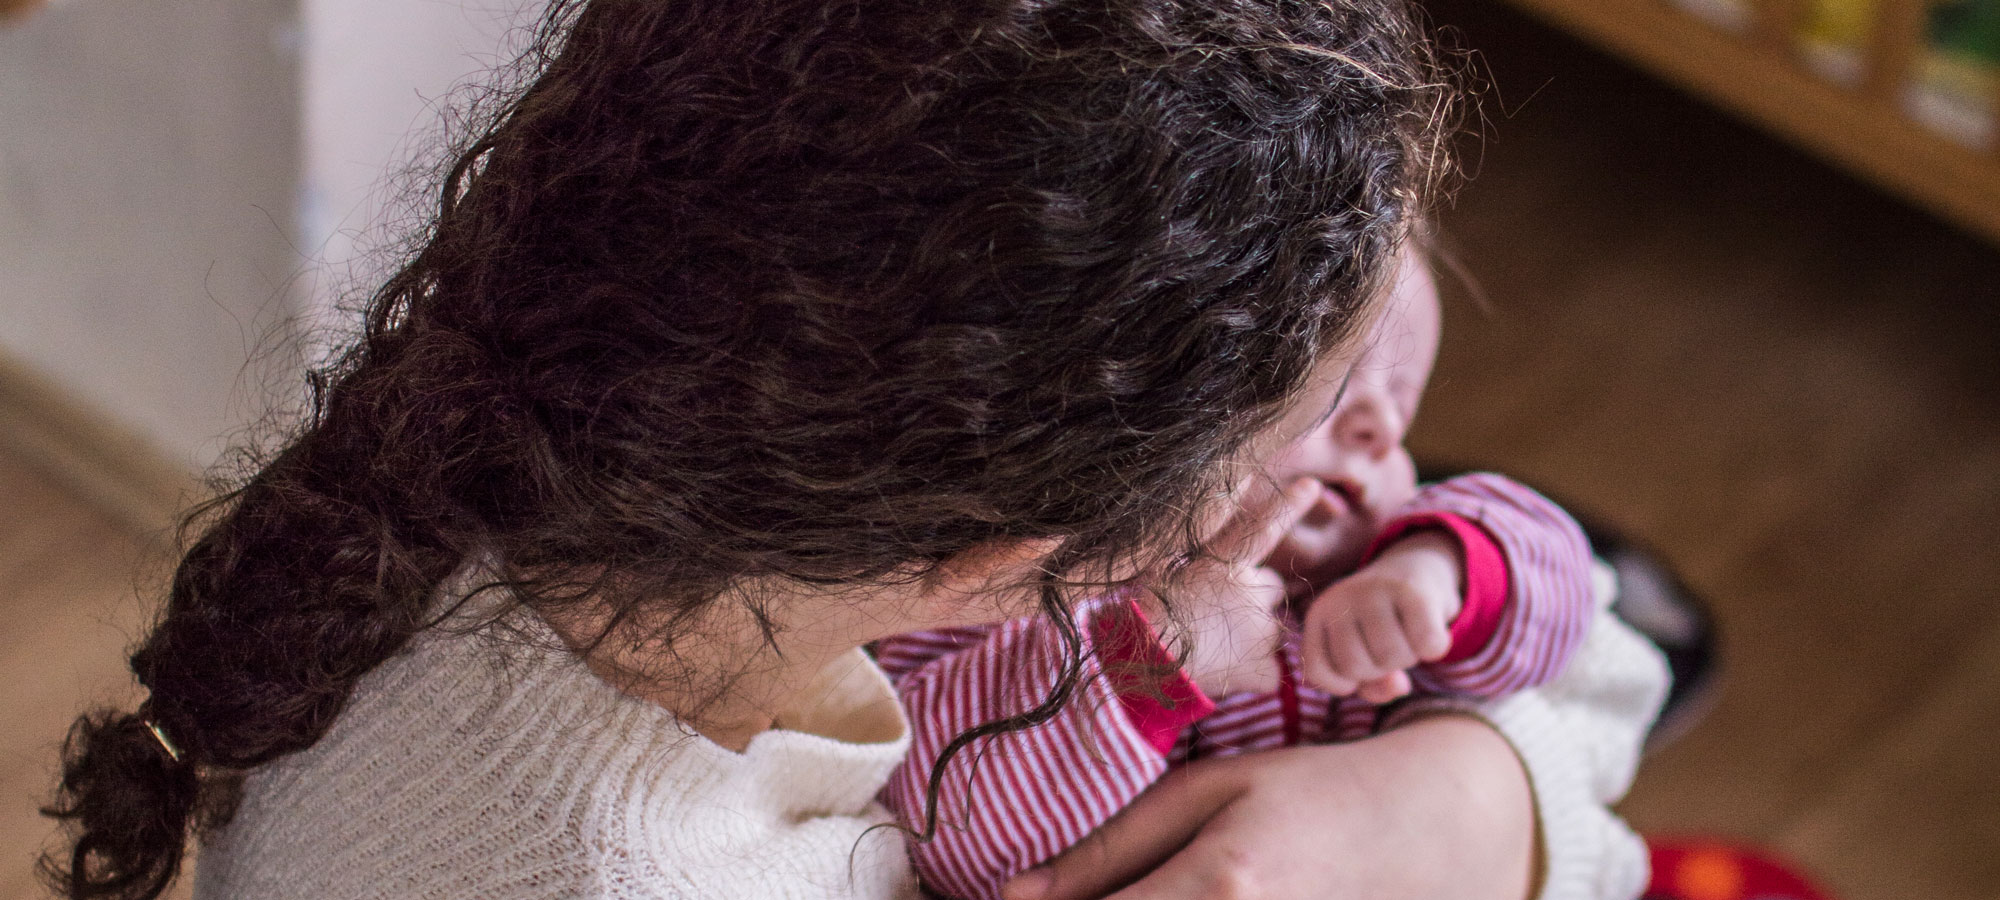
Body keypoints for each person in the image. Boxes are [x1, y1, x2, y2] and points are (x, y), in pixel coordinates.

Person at [40, 1, 1664, 899]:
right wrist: (1483, 811)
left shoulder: (541, 464)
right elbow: (1601, 745)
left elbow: (1587, 672)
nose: (1376, 467)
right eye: (1325, 429)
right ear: (998, 571)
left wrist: (1456, 796)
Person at [873, 248, 1601, 900]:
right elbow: (948, 834)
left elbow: (1563, 588)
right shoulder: (1021, 592)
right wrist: (1148, 660)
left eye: (1402, 409)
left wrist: (1439, 570)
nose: (1379, 427)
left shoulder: (1379, 568)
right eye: (1337, 380)